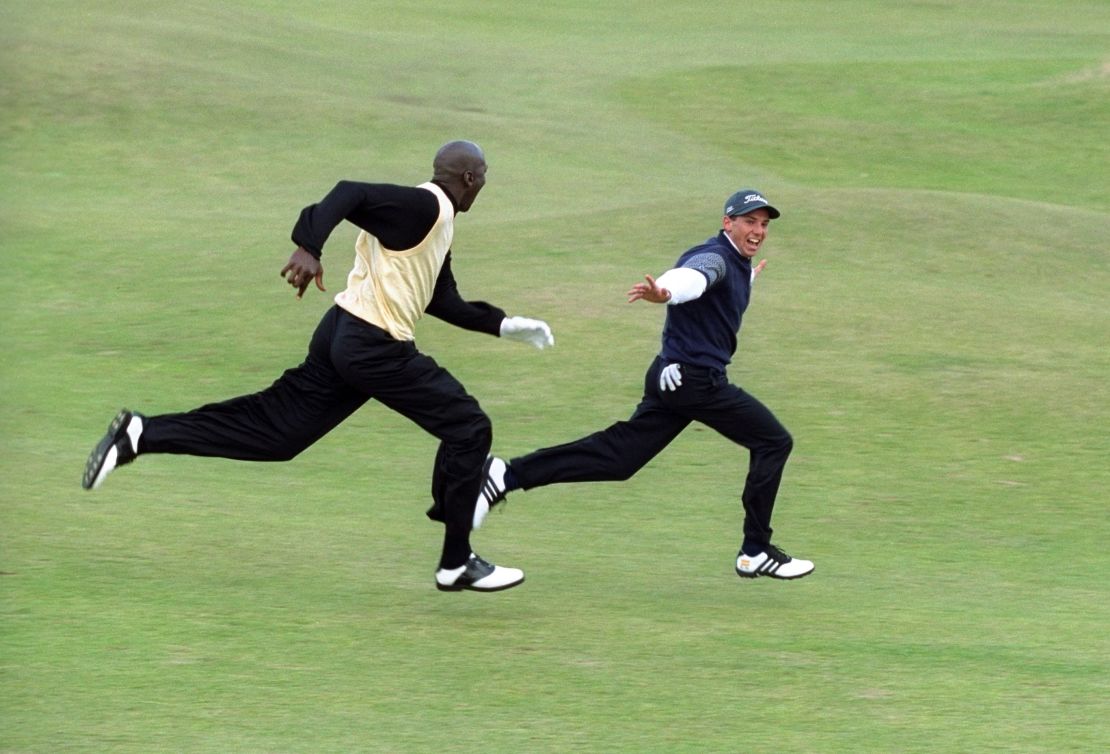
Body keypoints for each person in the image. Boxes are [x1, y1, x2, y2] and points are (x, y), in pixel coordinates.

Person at [82, 140, 554, 593]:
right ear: (469, 178)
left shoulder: (436, 221)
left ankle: (141, 434)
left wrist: (503, 325)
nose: (484, 186)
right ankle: (456, 560)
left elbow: (440, 297)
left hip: (343, 335)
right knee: (469, 426)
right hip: (374, 346)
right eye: (484, 177)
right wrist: (308, 246)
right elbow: (350, 191)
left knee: (276, 434)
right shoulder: (423, 207)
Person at [473, 189, 814, 580]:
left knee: (619, 460)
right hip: (694, 382)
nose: (758, 231)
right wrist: (664, 292)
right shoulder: (716, 258)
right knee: (774, 441)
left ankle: (505, 475)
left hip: (673, 378)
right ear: (727, 223)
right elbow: (693, 277)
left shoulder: (736, 264)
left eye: (764, 224)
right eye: (750, 221)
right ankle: (755, 550)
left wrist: (745, 281)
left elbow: (714, 292)